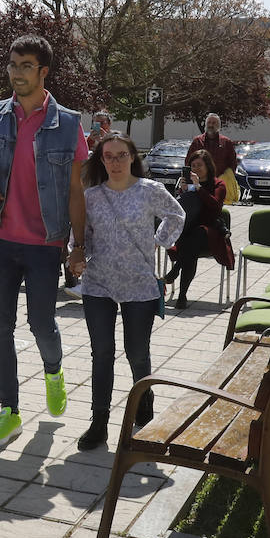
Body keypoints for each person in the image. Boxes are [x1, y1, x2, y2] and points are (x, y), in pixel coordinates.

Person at [0, 35, 88, 447]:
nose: (16, 73)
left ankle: (53, 370)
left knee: (41, 322)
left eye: (25, 66)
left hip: (44, 243)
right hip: (1, 239)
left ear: (43, 72)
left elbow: (76, 190)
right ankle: (9, 411)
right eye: (12, 65)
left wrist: (78, 244)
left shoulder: (70, 124)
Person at [70, 133, 184, 450]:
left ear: (133, 157)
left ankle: (143, 403)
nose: (116, 162)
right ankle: (99, 421)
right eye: (109, 156)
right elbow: (81, 234)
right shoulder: (91, 196)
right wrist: (78, 254)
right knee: (102, 353)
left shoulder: (150, 191)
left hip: (139, 284)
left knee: (137, 352)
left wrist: (160, 240)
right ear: (101, 160)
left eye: (122, 155)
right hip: (99, 283)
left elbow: (177, 214)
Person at [163, 149, 234, 309]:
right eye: (193, 166)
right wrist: (182, 191)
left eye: (199, 165)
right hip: (189, 231)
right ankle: (182, 295)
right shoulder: (187, 184)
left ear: (208, 166)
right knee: (190, 246)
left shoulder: (218, 184)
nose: (196, 169)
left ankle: (175, 271)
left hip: (210, 233)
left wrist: (198, 187)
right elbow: (179, 209)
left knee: (197, 235)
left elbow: (215, 206)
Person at [186, 113, 240, 204]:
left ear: (219, 125)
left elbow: (232, 163)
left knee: (215, 204)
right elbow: (188, 161)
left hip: (218, 182)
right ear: (206, 124)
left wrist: (228, 177)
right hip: (199, 181)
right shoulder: (197, 141)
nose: (211, 125)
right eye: (209, 122)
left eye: (214, 123)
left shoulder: (226, 142)